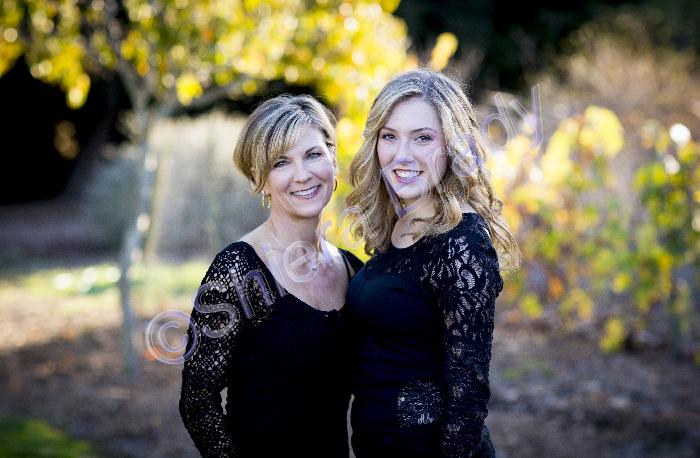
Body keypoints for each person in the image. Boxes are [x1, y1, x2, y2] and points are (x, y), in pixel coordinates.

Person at [343, 69, 522, 457]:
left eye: (422, 138)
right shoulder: (399, 224)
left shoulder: (462, 244)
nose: (402, 155)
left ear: (452, 147)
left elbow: (468, 400)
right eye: (389, 136)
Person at [179, 94, 364, 458]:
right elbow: (197, 400)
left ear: (332, 161)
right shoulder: (237, 270)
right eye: (281, 162)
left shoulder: (354, 271)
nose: (302, 174)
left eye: (313, 155)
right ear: (259, 179)